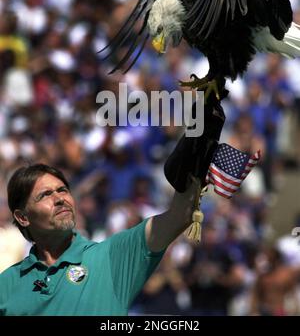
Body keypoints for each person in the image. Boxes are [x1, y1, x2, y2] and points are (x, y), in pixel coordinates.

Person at [0, 93, 225, 316]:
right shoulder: (6, 285)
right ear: (22, 217)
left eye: (63, 190)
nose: (60, 198)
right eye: (45, 195)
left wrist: (200, 138)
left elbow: (179, 216)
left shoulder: (111, 256)